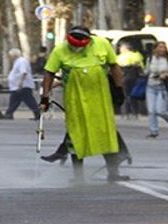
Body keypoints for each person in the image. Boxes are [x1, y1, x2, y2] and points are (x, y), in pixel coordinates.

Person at [39, 25, 127, 182]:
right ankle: (78, 175)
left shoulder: (102, 44)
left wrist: (119, 89)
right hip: (75, 100)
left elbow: (115, 67)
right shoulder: (60, 50)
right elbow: (49, 74)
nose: (76, 48)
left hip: (100, 98)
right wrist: (45, 98)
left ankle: (114, 173)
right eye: (73, 45)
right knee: (76, 134)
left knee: (105, 132)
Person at [144, 40, 168, 138]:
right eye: (160, 47)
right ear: (155, 49)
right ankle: (154, 131)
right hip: (151, 86)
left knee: (160, 111)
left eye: (163, 47)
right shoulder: (151, 58)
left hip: (164, 87)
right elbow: (147, 71)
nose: (162, 49)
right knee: (151, 110)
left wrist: (167, 74)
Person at [2, 48, 41, 120]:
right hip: (17, 86)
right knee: (15, 100)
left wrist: (20, 83)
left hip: (22, 85)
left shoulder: (21, 61)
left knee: (28, 100)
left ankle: (37, 112)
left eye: (10, 56)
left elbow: (24, 72)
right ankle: (9, 113)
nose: (10, 57)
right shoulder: (18, 62)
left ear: (14, 55)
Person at [115, 39, 146, 117]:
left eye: (121, 48)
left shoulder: (121, 57)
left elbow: (117, 66)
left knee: (125, 95)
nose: (120, 49)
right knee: (133, 95)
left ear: (125, 48)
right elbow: (140, 65)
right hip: (134, 76)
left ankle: (125, 112)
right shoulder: (137, 55)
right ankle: (134, 112)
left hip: (125, 76)